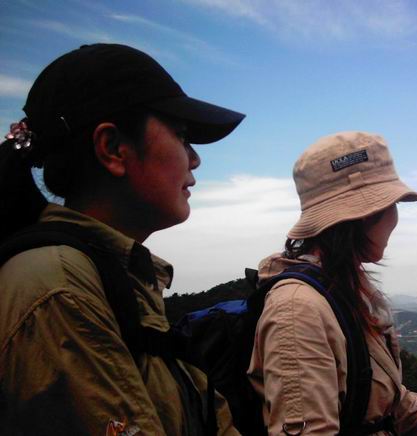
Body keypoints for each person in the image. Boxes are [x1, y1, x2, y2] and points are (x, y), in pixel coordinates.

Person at [0, 43, 244, 435]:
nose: (195, 159)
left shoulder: (113, 279)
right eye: (182, 135)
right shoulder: (61, 291)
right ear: (113, 148)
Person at [248, 132, 417, 435]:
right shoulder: (298, 310)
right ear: (366, 215)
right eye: (392, 204)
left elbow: (391, 402)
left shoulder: (345, 290)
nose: (395, 218)